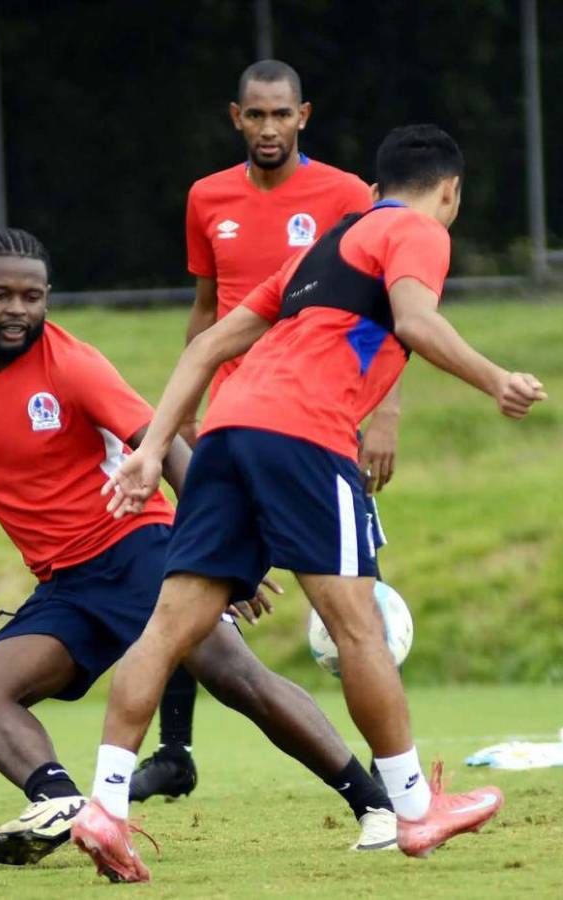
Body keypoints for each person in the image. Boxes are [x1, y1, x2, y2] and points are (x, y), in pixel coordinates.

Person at [71, 124, 547, 883]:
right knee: (357, 627)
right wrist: (497, 380)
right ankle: (416, 809)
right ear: (450, 190)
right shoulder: (417, 230)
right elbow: (418, 323)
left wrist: (155, 449)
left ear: (372, 180)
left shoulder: (314, 251)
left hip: (226, 432)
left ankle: (104, 806)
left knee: (166, 632)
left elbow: (205, 347)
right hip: (303, 437)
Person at [0, 229, 398, 869]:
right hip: (67, 585)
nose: (19, 309)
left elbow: (166, 450)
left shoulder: (72, 363)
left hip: (140, 549)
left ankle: (375, 801)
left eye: (34, 295)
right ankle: (63, 803)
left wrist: (225, 549)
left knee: (236, 677)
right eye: (1, 295)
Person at [132, 58, 402, 807]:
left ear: (304, 116)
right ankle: (175, 752)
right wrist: (180, 408)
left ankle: (391, 767)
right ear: (236, 118)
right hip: (230, 417)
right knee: (191, 578)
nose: (269, 127)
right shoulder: (206, 197)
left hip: (320, 417)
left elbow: (388, 309)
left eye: (282, 114)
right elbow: (208, 306)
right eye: (256, 115)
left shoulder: (348, 194)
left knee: (354, 595)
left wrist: (384, 413)